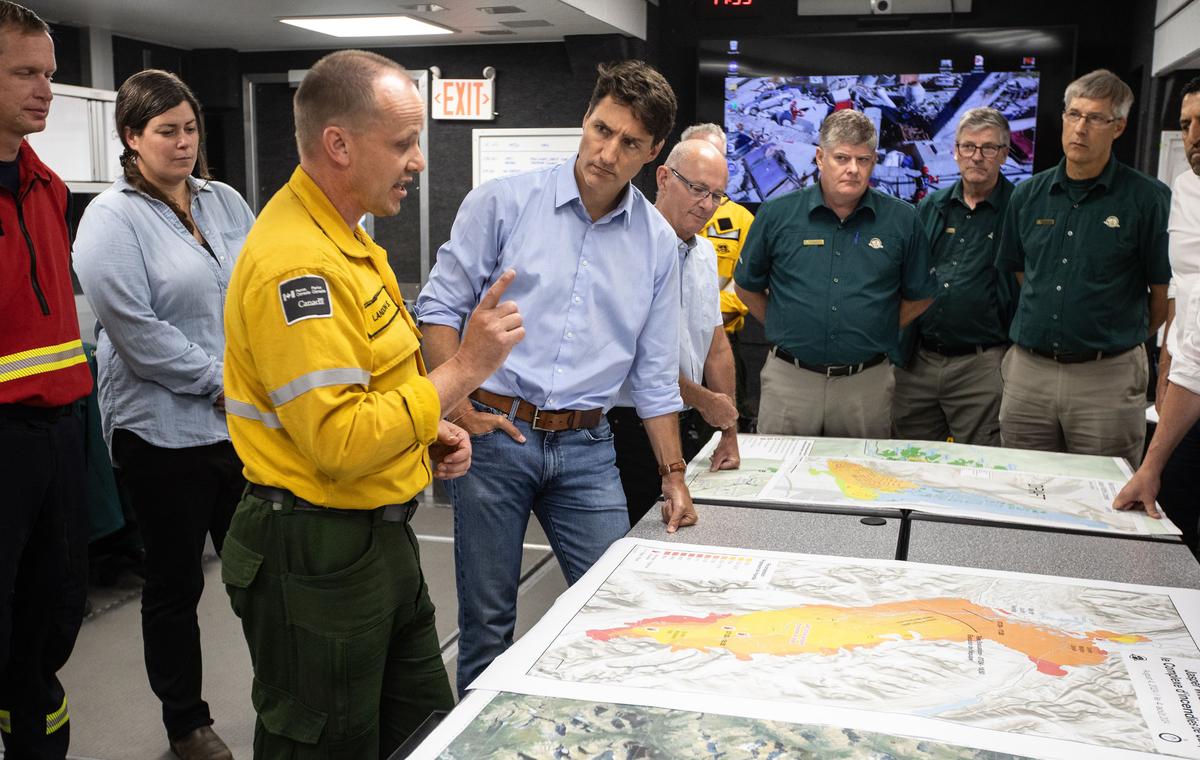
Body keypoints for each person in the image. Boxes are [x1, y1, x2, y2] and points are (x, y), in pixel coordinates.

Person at [220, 50, 523, 758]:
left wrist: (429, 432)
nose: (418, 160)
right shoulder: (301, 266)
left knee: (422, 735)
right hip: (313, 552)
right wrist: (467, 370)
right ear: (338, 144)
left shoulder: (350, 243)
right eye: (403, 143)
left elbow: (374, 389)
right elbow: (342, 440)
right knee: (323, 745)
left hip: (379, 537)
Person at [416, 60, 695, 696]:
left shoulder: (655, 243)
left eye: (629, 143)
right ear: (585, 119)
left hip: (587, 450)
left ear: (653, 154)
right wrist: (457, 413)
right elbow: (437, 311)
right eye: (601, 129)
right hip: (495, 435)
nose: (607, 151)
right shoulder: (501, 204)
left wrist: (674, 478)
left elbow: (654, 376)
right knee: (487, 624)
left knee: (616, 614)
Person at [72, 70, 253, 760]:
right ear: (131, 138)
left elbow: (257, 289)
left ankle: (285, 691)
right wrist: (222, 383)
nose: (183, 143)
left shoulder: (227, 202)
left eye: (190, 128)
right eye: (166, 131)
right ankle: (187, 723)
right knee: (175, 585)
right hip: (160, 432)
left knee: (260, 575)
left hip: (238, 427)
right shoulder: (110, 221)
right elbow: (137, 332)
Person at [995, 69, 1170, 467]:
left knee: (1103, 499)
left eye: (1095, 118)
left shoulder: (1148, 200)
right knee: (1022, 491)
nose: (1080, 128)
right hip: (1029, 374)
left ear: (1119, 126)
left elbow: (1162, 298)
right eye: (1073, 115)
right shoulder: (1028, 195)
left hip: (1105, 378)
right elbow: (1023, 274)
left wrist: (1114, 338)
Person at [0, 4, 92, 757]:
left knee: (51, 623)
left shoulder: (48, 187)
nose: (45, 90)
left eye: (49, 74)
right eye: (25, 73)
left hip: (61, 437)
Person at [733, 109, 935, 437]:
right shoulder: (777, 214)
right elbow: (746, 286)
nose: (853, 169)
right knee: (779, 482)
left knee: (862, 483)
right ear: (819, 157)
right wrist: (781, 324)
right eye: (841, 158)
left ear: (874, 162)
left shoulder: (903, 220)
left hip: (865, 384)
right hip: (790, 380)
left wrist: (878, 326)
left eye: (863, 159)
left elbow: (922, 294)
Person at [608, 138, 741, 525]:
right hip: (630, 428)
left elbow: (716, 344)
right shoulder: (625, 247)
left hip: (690, 419)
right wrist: (704, 400)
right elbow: (639, 359)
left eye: (717, 195)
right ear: (663, 177)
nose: (707, 205)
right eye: (698, 189)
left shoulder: (703, 254)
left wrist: (728, 429)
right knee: (633, 538)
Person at [892, 107, 1018, 446]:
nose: (976, 157)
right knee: (907, 461)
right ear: (955, 151)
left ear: (1004, 154)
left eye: (988, 148)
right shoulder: (931, 207)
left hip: (982, 365)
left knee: (980, 466)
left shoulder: (1018, 208)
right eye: (968, 147)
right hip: (918, 361)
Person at [1114, 76, 1200, 540]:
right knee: (1171, 523)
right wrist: (1165, 376)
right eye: (1186, 124)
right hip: (1186, 390)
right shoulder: (1187, 188)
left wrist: (1151, 461)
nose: (1194, 137)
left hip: (1195, 381)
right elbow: (1184, 300)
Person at [682, 122, 756, 426]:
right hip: (671, 345)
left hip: (723, 340)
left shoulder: (742, 219)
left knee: (723, 422)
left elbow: (746, 285)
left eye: (718, 155)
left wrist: (704, 315)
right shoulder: (660, 215)